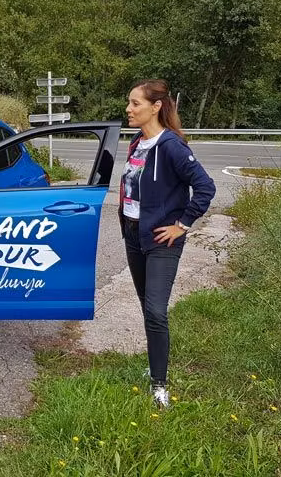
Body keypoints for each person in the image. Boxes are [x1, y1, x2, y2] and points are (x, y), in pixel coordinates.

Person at [120, 79, 216, 408]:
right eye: (130, 103)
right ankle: (155, 366)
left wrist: (182, 225)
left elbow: (205, 187)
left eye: (135, 103)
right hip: (134, 234)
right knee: (148, 307)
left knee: (156, 311)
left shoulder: (172, 146)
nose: (129, 109)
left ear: (156, 107)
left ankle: (160, 384)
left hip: (162, 239)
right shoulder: (136, 143)